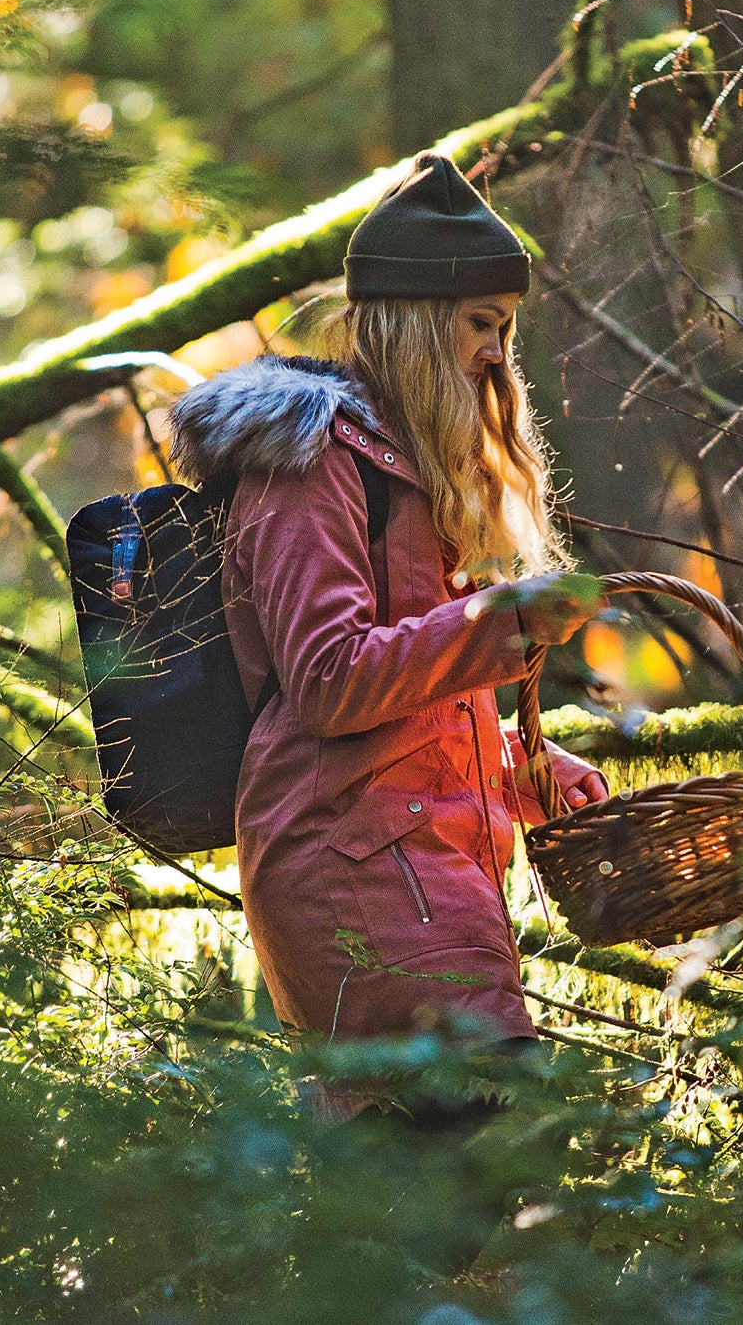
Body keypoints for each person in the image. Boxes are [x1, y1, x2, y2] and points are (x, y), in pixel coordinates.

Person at [169, 151, 609, 1116]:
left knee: (414, 1224)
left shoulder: (405, 466)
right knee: (492, 1143)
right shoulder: (311, 458)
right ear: (415, 319)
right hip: (353, 872)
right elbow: (329, 683)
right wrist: (501, 617)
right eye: (480, 324)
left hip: (431, 869)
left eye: (507, 328)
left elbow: (413, 708)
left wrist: (524, 763)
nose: (498, 353)